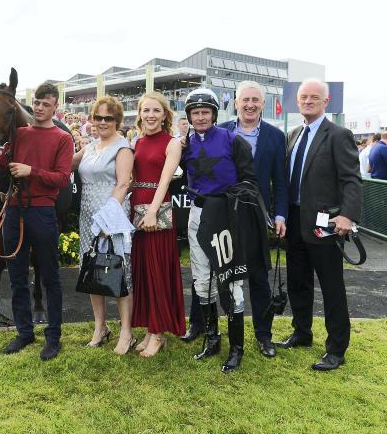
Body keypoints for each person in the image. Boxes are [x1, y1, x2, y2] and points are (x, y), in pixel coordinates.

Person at [181, 81, 287, 358]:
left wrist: (276, 214)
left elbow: (261, 181)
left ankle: (251, 341)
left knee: (240, 278)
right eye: (195, 113)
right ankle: (208, 335)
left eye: (205, 112)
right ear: (236, 103)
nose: (201, 117)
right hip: (201, 215)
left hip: (237, 216)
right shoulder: (191, 141)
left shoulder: (250, 138)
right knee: (202, 277)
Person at [0, 82, 73, 361]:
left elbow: (62, 178)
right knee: (17, 276)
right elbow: (0, 166)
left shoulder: (63, 138)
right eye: (37, 103)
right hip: (14, 211)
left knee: (50, 277)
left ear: (55, 106)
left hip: (43, 212)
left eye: (46, 104)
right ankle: (24, 332)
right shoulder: (19, 134)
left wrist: (30, 171)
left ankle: (53, 336)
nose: (40, 108)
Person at [276, 78, 362, 372]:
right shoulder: (293, 134)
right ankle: (302, 333)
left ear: (326, 101)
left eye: (314, 97)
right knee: (298, 283)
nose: (308, 101)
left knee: (331, 288)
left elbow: (351, 179)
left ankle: (336, 349)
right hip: (295, 222)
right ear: (297, 101)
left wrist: (348, 216)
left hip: (326, 226)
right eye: (304, 97)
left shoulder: (338, 135)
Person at [72, 95, 135, 355]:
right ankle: (101, 327)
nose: (102, 122)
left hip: (112, 218)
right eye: (98, 117)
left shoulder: (123, 148)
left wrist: (107, 219)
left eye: (108, 118)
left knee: (119, 272)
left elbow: (123, 184)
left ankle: (126, 332)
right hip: (88, 218)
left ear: (117, 120)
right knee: (91, 270)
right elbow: (62, 165)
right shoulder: (89, 147)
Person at [130, 92, 185, 358]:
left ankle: (159, 333)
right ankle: (150, 329)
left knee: (158, 272)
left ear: (165, 115)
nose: (150, 115)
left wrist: (152, 212)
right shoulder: (137, 141)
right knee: (143, 272)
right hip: (137, 209)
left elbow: (165, 181)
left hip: (157, 210)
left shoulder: (172, 143)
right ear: (140, 114)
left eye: (156, 111)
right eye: (146, 110)